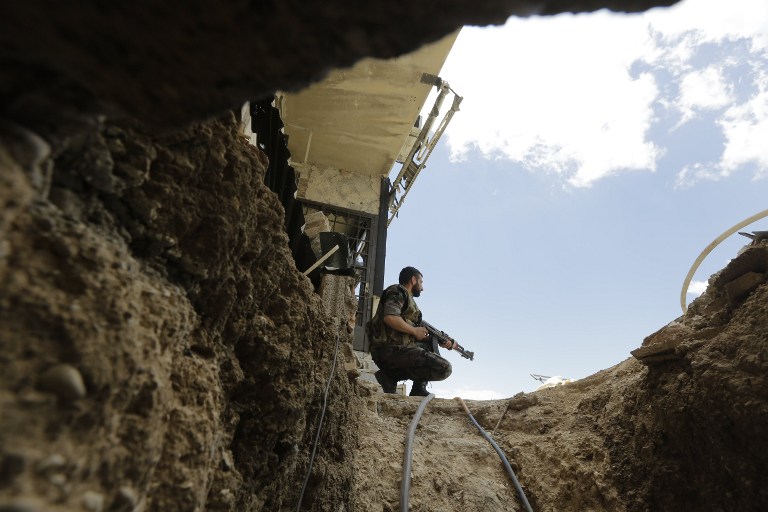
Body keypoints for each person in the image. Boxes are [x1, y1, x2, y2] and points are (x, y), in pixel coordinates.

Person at [368, 266, 454, 396]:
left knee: (431, 347)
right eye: (421, 282)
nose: (422, 287)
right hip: (387, 349)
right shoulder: (397, 291)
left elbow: (417, 333)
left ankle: (414, 387)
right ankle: (390, 375)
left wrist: (441, 341)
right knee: (444, 368)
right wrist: (414, 331)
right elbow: (390, 317)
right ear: (413, 280)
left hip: (399, 349)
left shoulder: (411, 304)